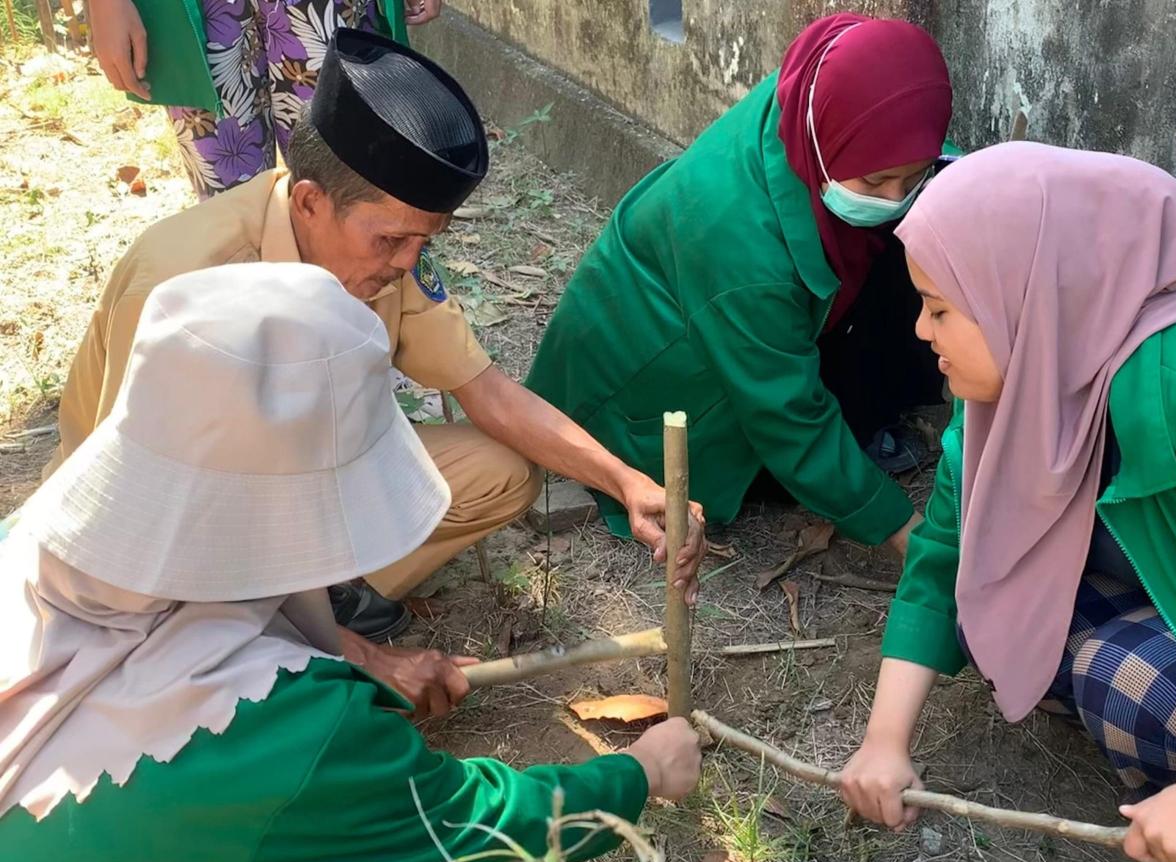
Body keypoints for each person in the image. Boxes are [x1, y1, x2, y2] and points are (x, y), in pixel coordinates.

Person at [0, 262, 703, 862]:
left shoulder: (28, 547)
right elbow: (457, 825)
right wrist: (638, 775)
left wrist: (366, 667)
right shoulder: (283, 720)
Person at [49, 30, 705, 642]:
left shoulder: (391, 254)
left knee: (500, 472)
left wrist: (625, 482)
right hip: (163, 525)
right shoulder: (179, 281)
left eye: (425, 241)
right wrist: (362, 655)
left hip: (294, 486)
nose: (405, 263)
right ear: (309, 202)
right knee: (197, 637)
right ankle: (266, 628)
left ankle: (304, 606)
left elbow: (490, 396)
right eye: (392, 240)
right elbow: (138, 511)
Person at [838, 142, 1176, 862]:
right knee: (993, 590)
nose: (919, 329)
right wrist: (884, 742)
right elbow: (944, 558)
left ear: (1030, 299)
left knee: (1128, 679)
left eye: (940, 308)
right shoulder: (1024, 382)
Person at [525, 13, 955, 557]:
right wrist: (904, 533)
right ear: (823, 139)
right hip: (634, 405)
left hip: (713, 321)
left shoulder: (817, 84)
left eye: (911, 176)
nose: (892, 197)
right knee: (807, 437)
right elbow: (787, 416)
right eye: (873, 181)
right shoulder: (742, 251)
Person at [86, 0, 444, 199]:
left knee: (351, 183)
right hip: (205, 13)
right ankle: (249, 326)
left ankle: (352, 326)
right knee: (229, 207)